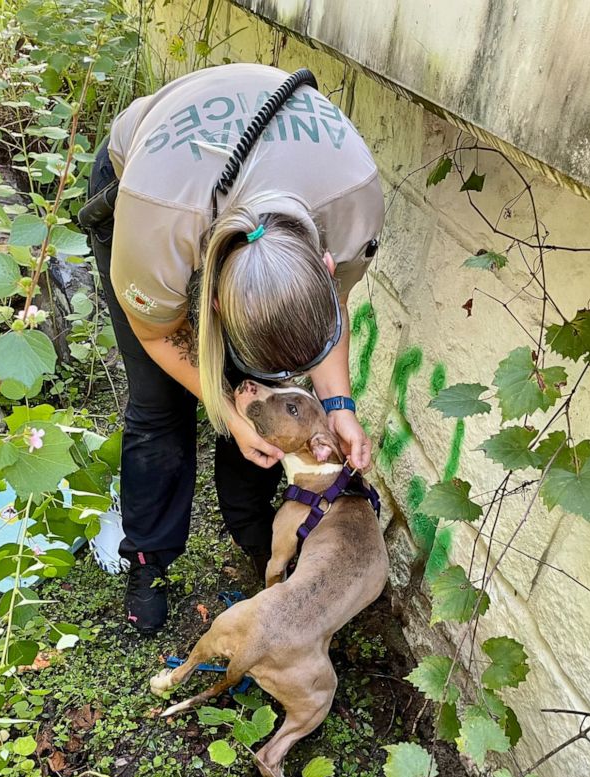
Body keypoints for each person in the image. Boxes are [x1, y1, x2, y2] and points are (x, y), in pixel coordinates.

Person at [84, 62, 384, 634]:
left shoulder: (354, 203)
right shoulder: (158, 225)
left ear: (325, 265)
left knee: (265, 398)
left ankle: (254, 537)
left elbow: (332, 309)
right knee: (160, 403)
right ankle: (149, 561)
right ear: (214, 307)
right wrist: (224, 407)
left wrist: (338, 406)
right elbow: (155, 333)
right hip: (148, 184)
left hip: (267, 196)